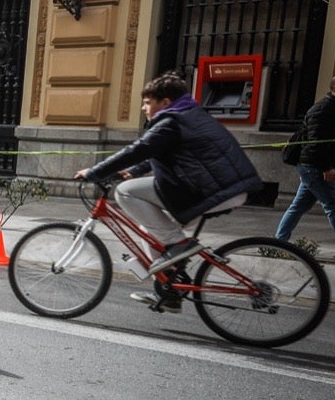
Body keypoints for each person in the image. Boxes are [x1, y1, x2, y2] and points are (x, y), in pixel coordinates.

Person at [77, 72, 262, 312]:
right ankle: (170, 292)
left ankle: (178, 245)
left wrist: (94, 172)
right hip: (222, 187)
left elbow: (139, 149)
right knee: (151, 230)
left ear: (164, 102)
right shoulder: (188, 115)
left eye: (147, 102)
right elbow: (157, 152)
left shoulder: (171, 121)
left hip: (210, 189)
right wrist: (133, 171)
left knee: (125, 193)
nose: (144, 108)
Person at [274, 72, 335, 257]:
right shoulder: (321, 110)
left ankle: (278, 242)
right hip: (315, 167)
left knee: (298, 206)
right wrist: (327, 168)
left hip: (319, 166)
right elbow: (316, 143)